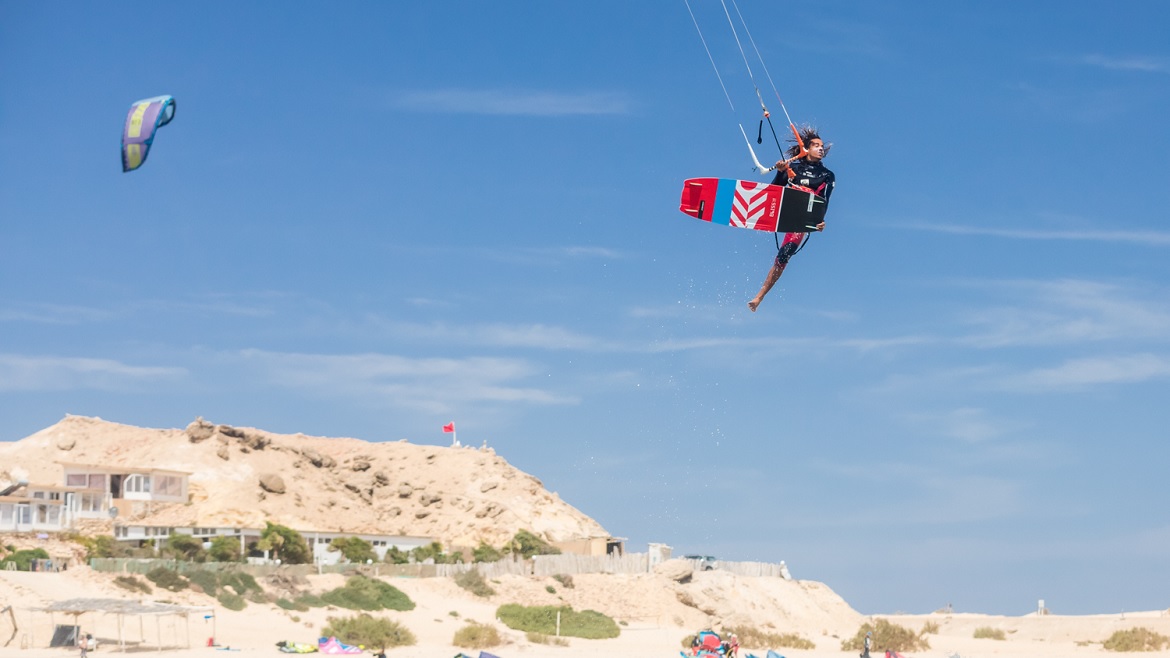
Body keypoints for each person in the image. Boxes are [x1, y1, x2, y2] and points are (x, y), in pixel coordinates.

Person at [747, 126, 836, 312]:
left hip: (802, 217)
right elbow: (774, 190)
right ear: (806, 149)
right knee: (793, 188)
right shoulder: (792, 167)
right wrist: (780, 172)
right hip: (783, 208)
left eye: (822, 146)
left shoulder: (827, 175)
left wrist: (820, 221)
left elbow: (824, 201)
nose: (821, 148)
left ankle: (759, 296)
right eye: (816, 145)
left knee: (784, 254)